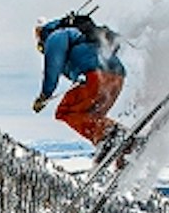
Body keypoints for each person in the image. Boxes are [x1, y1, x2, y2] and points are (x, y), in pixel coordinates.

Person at [33, 13, 125, 159]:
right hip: (117, 78)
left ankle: (111, 138)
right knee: (91, 117)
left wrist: (44, 95)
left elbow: (52, 67)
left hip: (96, 76)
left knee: (66, 111)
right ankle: (123, 153)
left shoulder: (55, 36)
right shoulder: (79, 34)